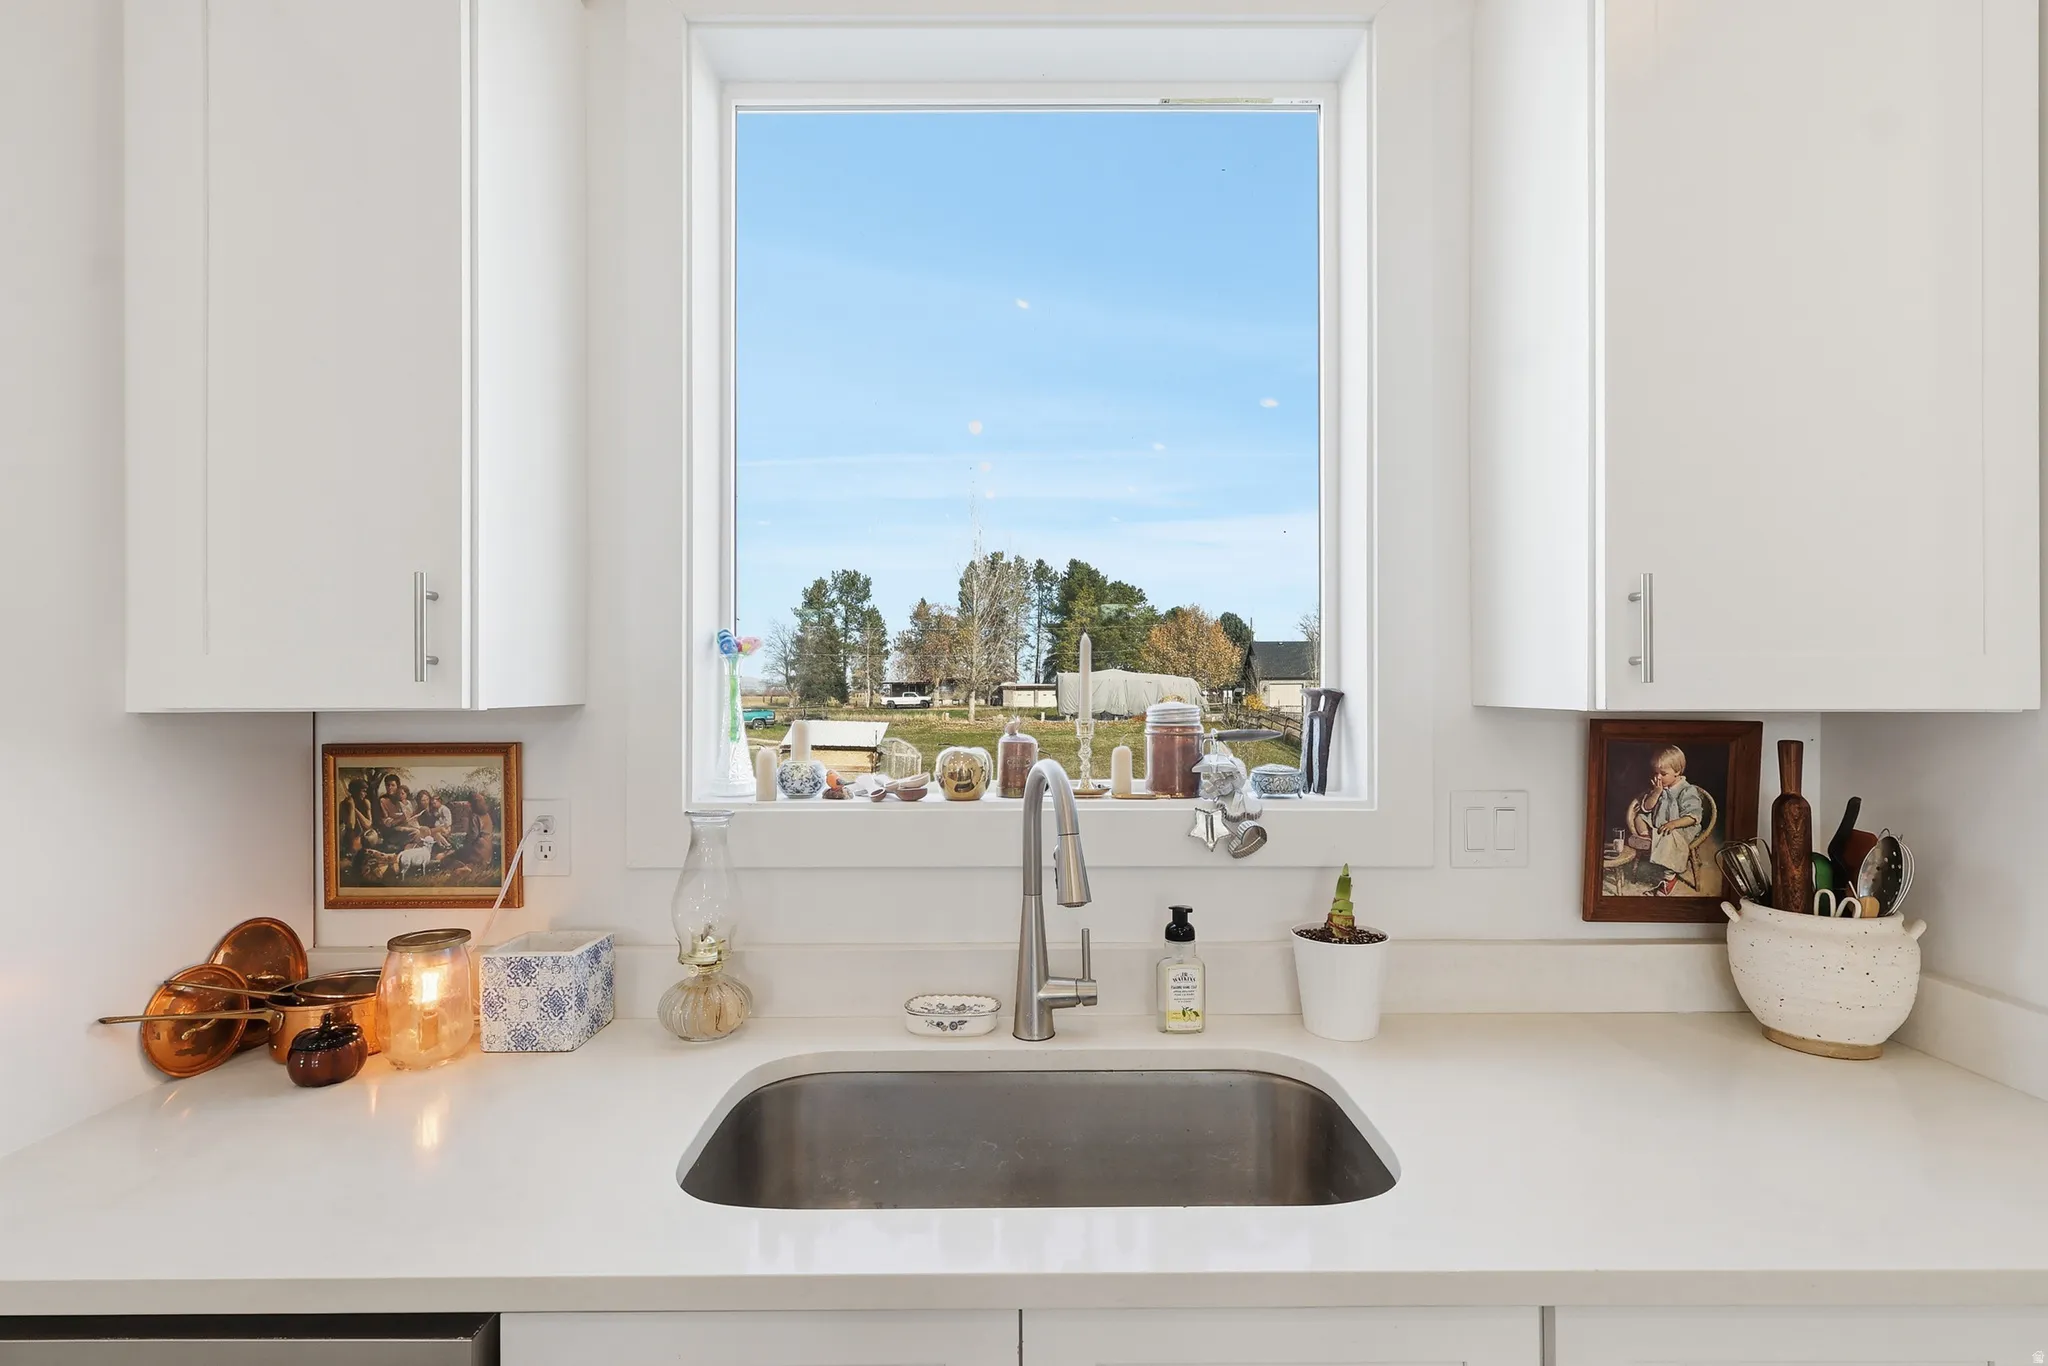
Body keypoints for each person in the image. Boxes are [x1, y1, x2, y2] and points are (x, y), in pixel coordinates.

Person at [1627, 745, 1704, 894]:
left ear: (1677, 772)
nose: (1658, 777)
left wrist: (1674, 823)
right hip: (1659, 822)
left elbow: (1693, 816)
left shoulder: (1687, 790)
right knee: (1640, 817)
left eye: (1663, 773)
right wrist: (1656, 793)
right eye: (1655, 773)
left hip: (1680, 827)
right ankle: (1645, 837)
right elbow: (1647, 808)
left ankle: (1669, 878)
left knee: (1669, 838)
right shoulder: (1659, 787)